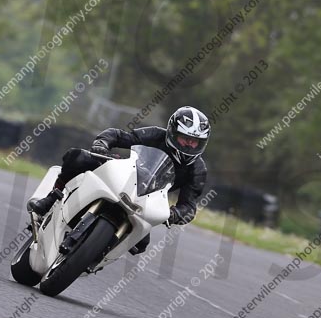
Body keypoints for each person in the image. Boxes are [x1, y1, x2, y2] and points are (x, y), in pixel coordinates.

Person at [27, 106, 210, 254]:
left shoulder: (198, 170)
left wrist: (176, 214)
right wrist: (102, 144)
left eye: (195, 142)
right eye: (184, 138)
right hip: (125, 176)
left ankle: (95, 255)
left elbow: (189, 205)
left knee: (140, 245)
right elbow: (120, 136)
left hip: (147, 201)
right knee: (77, 157)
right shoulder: (156, 135)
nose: (189, 145)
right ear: (172, 132)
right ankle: (51, 197)